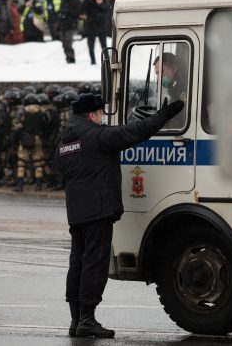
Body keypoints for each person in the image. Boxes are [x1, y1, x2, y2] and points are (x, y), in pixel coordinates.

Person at [55, 92, 184, 338]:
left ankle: (76, 319)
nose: (102, 117)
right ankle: (87, 320)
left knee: (78, 263)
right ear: (92, 114)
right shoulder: (97, 136)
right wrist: (163, 116)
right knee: (95, 263)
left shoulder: (64, 143)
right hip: (99, 210)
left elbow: (59, 168)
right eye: (100, 113)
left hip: (76, 212)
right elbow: (132, 132)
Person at [80, 0, 108, 65]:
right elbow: (81, 9)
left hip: (101, 26)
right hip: (91, 26)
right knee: (91, 46)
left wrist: (100, 3)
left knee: (104, 46)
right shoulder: (87, 0)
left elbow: (106, 10)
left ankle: (107, 61)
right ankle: (93, 62)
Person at [58, 0, 81, 64]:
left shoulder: (75, 0)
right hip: (62, 24)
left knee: (68, 42)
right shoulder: (62, 0)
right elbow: (60, 10)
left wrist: (67, 12)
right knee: (64, 43)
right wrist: (61, 14)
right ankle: (67, 57)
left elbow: (78, 12)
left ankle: (71, 58)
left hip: (71, 24)